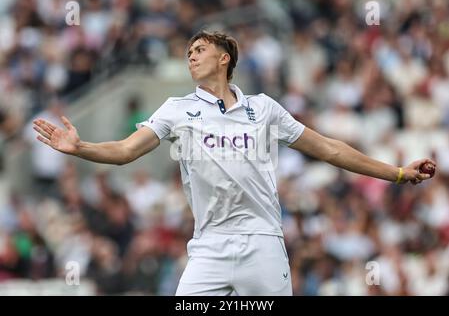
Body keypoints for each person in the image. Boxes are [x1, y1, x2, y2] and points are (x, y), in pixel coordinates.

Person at [32, 31, 436, 296]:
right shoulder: (176, 110)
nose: (191, 56)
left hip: (262, 241)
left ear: (224, 58)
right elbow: (125, 151)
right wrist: (81, 146)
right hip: (208, 247)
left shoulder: (264, 109)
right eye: (188, 52)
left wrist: (397, 173)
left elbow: (329, 149)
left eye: (199, 50)